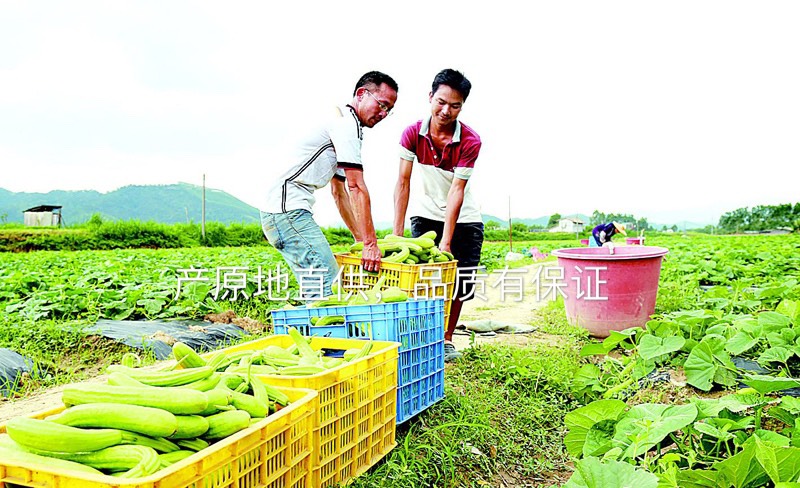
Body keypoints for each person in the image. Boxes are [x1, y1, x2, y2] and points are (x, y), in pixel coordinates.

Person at [261, 71, 398, 298]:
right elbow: (356, 187)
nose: (383, 113)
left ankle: (314, 331)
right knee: (328, 286)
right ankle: (320, 333)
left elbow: (339, 192)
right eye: (382, 104)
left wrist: (360, 239)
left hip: (282, 213)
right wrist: (371, 244)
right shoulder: (346, 125)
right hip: (287, 213)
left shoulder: (343, 123)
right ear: (362, 94)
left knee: (320, 287)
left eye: (389, 110)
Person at [393, 69, 483, 362]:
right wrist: (397, 236)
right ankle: (424, 337)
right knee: (424, 279)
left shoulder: (470, 141)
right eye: (441, 102)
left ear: (462, 106)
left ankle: (446, 339)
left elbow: (457, 190)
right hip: (426, 213)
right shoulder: (412, 133)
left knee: (460, 281)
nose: (446, 111)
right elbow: (403, 182)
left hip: (464, 218)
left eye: (455, 106)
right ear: (430, 97)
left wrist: (446, 241)